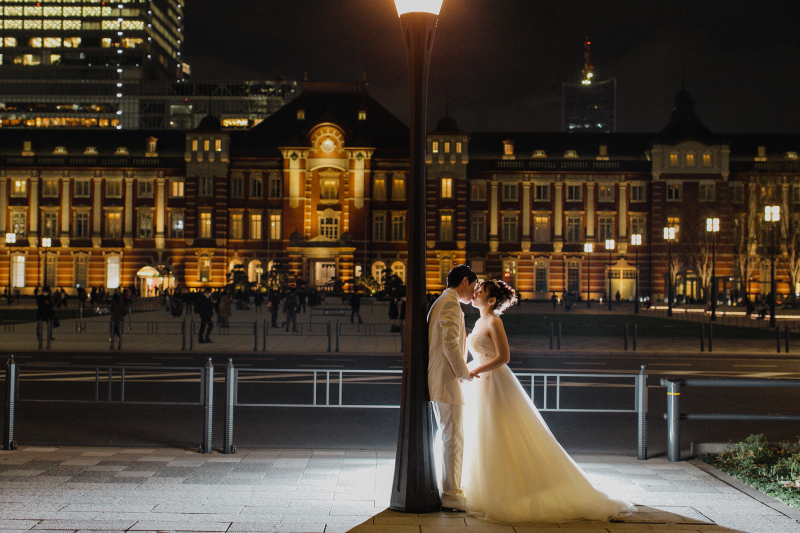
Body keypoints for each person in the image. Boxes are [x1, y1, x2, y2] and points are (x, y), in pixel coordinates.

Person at [462, 279, 634, 523]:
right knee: (481, 433)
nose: (475, 292)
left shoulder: (493, 321)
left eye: (481, 291)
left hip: (493, 381)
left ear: (491, 301)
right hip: (479, 381)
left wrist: (476, 370)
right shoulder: (479, 321)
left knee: (498, 432)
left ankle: (505, 490)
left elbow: (504, 357)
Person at [427, 264, 478, 512]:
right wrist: (465, 373)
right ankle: (451, 492)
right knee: (453, 437)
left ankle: (449, 486)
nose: (475, 293)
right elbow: (450, 345)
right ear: (465, 281)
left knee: (449, 435)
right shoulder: (449, 303)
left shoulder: (442, 301)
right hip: (447, 380)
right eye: (474, 287)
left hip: (442, 379)